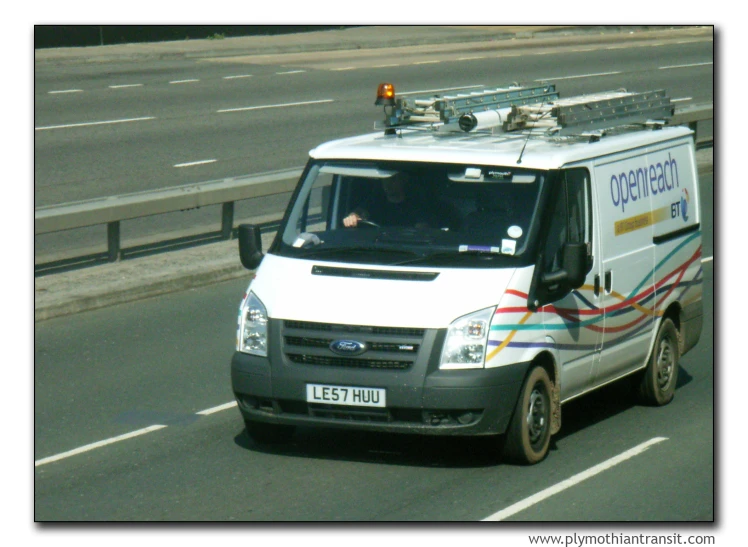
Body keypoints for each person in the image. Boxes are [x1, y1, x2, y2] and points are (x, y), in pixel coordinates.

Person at [342, 174, 439, 229]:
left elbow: (422, 229)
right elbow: (360, 212)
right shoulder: (375, 202)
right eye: (385, 180)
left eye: (393, 180)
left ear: (403, 180)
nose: (388, 184)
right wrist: (353, 216)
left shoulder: (418, 206)